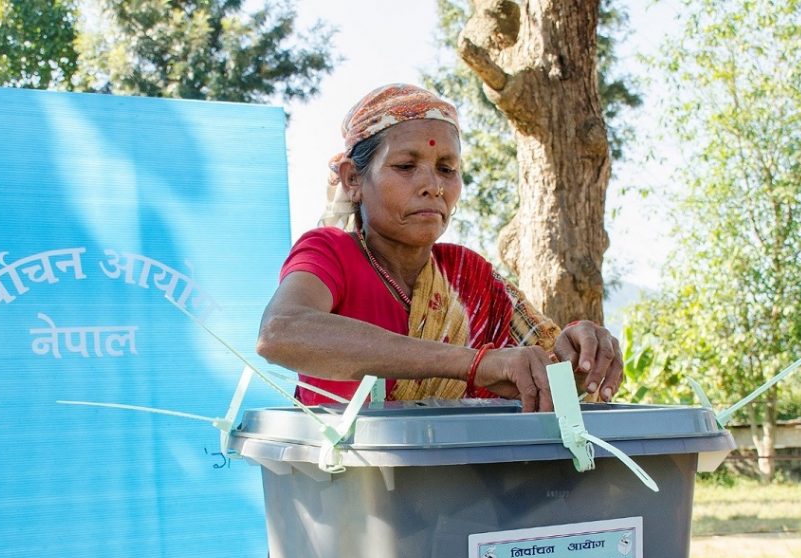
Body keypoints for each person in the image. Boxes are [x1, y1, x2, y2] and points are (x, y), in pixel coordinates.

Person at [257, 83, 623, 413]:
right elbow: (279, 332)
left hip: (464, 482)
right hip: (350, 480)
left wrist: (581, 355)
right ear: (353, 180)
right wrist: (474, 364)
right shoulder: (332, 252)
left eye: (447, 169)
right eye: (405, 165)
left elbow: (546, 375)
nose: (433, 185)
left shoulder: (469, 275)